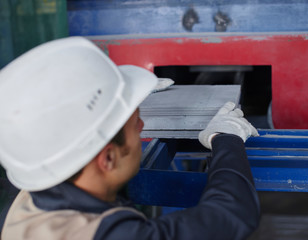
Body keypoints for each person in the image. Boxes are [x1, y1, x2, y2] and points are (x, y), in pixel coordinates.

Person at [0, 37, 260, 240]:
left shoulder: (31, 187)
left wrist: (120, 98)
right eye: (136, 125)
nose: (143, 125)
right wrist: (225, 138)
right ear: (108, 158)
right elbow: (231, 214)